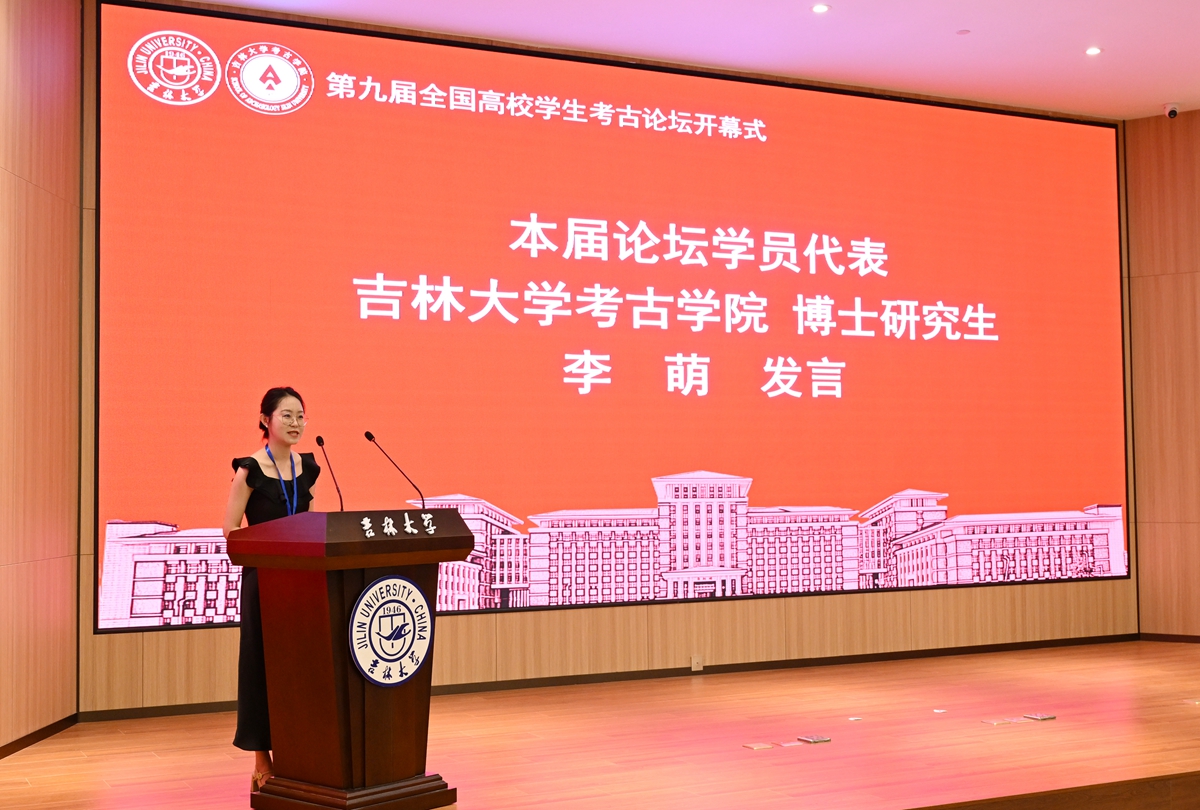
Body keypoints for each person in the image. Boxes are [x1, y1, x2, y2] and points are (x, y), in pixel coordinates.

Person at [223, 387, 320, 793]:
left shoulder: (309, 467)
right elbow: (230, 531)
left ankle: (303, 750)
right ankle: (262, 757)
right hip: (263, 581)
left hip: (303, 581)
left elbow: (312, 523)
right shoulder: (249, 470)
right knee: (261, 666)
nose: (296, 423)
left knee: (301, 664)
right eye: (287, 415)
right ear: (266, 420)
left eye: (301, 416)